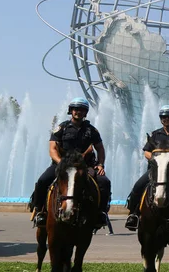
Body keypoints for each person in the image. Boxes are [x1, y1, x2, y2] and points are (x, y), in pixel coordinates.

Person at [29, 97, 111, 229]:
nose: (78, 112)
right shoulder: (61, 128)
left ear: (85, 112)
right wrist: (61, 163)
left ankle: (101, 214)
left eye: (82, 110)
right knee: (43, 180)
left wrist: (100, 164)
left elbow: (100, 148)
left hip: (85, 166)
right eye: (75, 109)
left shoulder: (92, 130)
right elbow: (52, 149)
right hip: (61, 165)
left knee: (104, 182)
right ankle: (40, 211)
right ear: (71, 111)